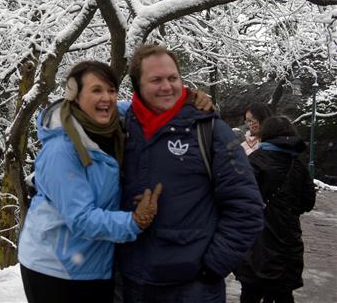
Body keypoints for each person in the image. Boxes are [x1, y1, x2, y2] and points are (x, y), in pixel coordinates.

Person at [117, 44, 264, 303]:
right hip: (130, 286)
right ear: (137, 85)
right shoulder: (119, 129)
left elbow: (247, 208)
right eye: (156, 80)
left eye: (173, 78)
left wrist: (212, 269)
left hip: (192, 289)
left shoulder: (209, 130)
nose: (167, 86)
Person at [18, 60, 162, 303]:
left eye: (111, 90)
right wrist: (134, 221)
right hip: (55, 270)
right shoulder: (62, 150)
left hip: (93, 265)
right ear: (74, 95)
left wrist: (190, 99)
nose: (106, 98)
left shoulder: (111, 125)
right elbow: (82, 219)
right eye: (96, 90)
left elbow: (147, 106)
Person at [235, 116, 316, 303]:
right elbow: (307, 203)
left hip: (256, 244)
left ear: (266, 134)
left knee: (250, 294)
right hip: (287, 245)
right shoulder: (298, 166)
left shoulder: (253, 161)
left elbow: (240, 200)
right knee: (282, 295)